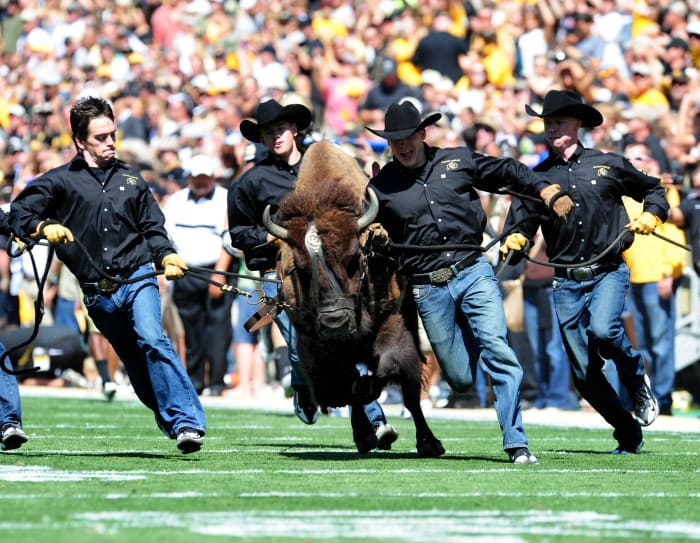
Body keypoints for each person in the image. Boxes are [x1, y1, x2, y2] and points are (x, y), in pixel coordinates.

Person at [364, 100, 573, 464]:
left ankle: (516, 443)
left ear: (422, 133)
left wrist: (546, 189)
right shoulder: (381, 187)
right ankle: (474, 341)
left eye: (408, 137)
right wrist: (373, 232)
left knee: (498, 349)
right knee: (460, 377)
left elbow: (507, 169)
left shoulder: (457, 161)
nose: (403, 145)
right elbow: (361, 225)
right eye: (394, 140)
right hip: (429, 286)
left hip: (473, 270)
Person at [8, 95, 206, 454]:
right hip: (98, 293)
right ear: (80, 141)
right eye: (100, 137)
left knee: (153, 339)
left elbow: (153, 227)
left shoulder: (132, 179)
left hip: (138, 276)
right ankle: (170, 418)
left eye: (112, 134)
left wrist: (168, 255)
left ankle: (188, 423)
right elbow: (17, 214)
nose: (110, 142)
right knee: (133, 358)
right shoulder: (59, 182)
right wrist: (41, 226)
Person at [227, 98, 398, 449]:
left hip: (338, 277)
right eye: (268, 133)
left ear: (295, 130)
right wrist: (275, 241)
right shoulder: (251, 182)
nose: (276, 137)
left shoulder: (325, 164)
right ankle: (305, 384)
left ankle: (372, 420)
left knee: (351, 344)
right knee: (297, 350)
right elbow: (240, 233)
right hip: (290, 280)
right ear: (260, 138)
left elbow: (357, 201)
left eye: (280, 130)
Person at [500, 90, 664, 454]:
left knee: (604, 330)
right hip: (566, 281)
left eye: (559, 121)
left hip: (607, 269)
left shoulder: (608, 164)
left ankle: (636, 378)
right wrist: (516, 239)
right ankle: (627, 430)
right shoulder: (536, 178)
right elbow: (522, 223)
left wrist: (652, 213)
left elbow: (654, 189)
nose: (552, 128)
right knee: (583, 374)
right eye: (548, 123)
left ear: (578, 125)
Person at [621, 142, 685, 417]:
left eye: (638, 156)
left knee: (660, 342)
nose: (633, 162)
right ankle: (645, 398)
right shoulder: (624, 193)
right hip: (630, 277)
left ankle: (664, 398)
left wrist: (669, 271)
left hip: (656, 276)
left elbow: (672, 232)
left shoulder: (661, 192)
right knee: (642, 345)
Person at [163, 153, 234, 397]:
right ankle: (195, 381)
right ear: (189, 177)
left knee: (217, 328)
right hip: (185, 271)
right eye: (196, 177)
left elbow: (229, 240)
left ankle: (215, 381)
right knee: (190, 329)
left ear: (213, 176)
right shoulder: (176, 201)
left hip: (216, 269)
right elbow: (166, 237)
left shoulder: (225, 199)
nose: (201, 182)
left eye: (205, 177)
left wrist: (220, 273)